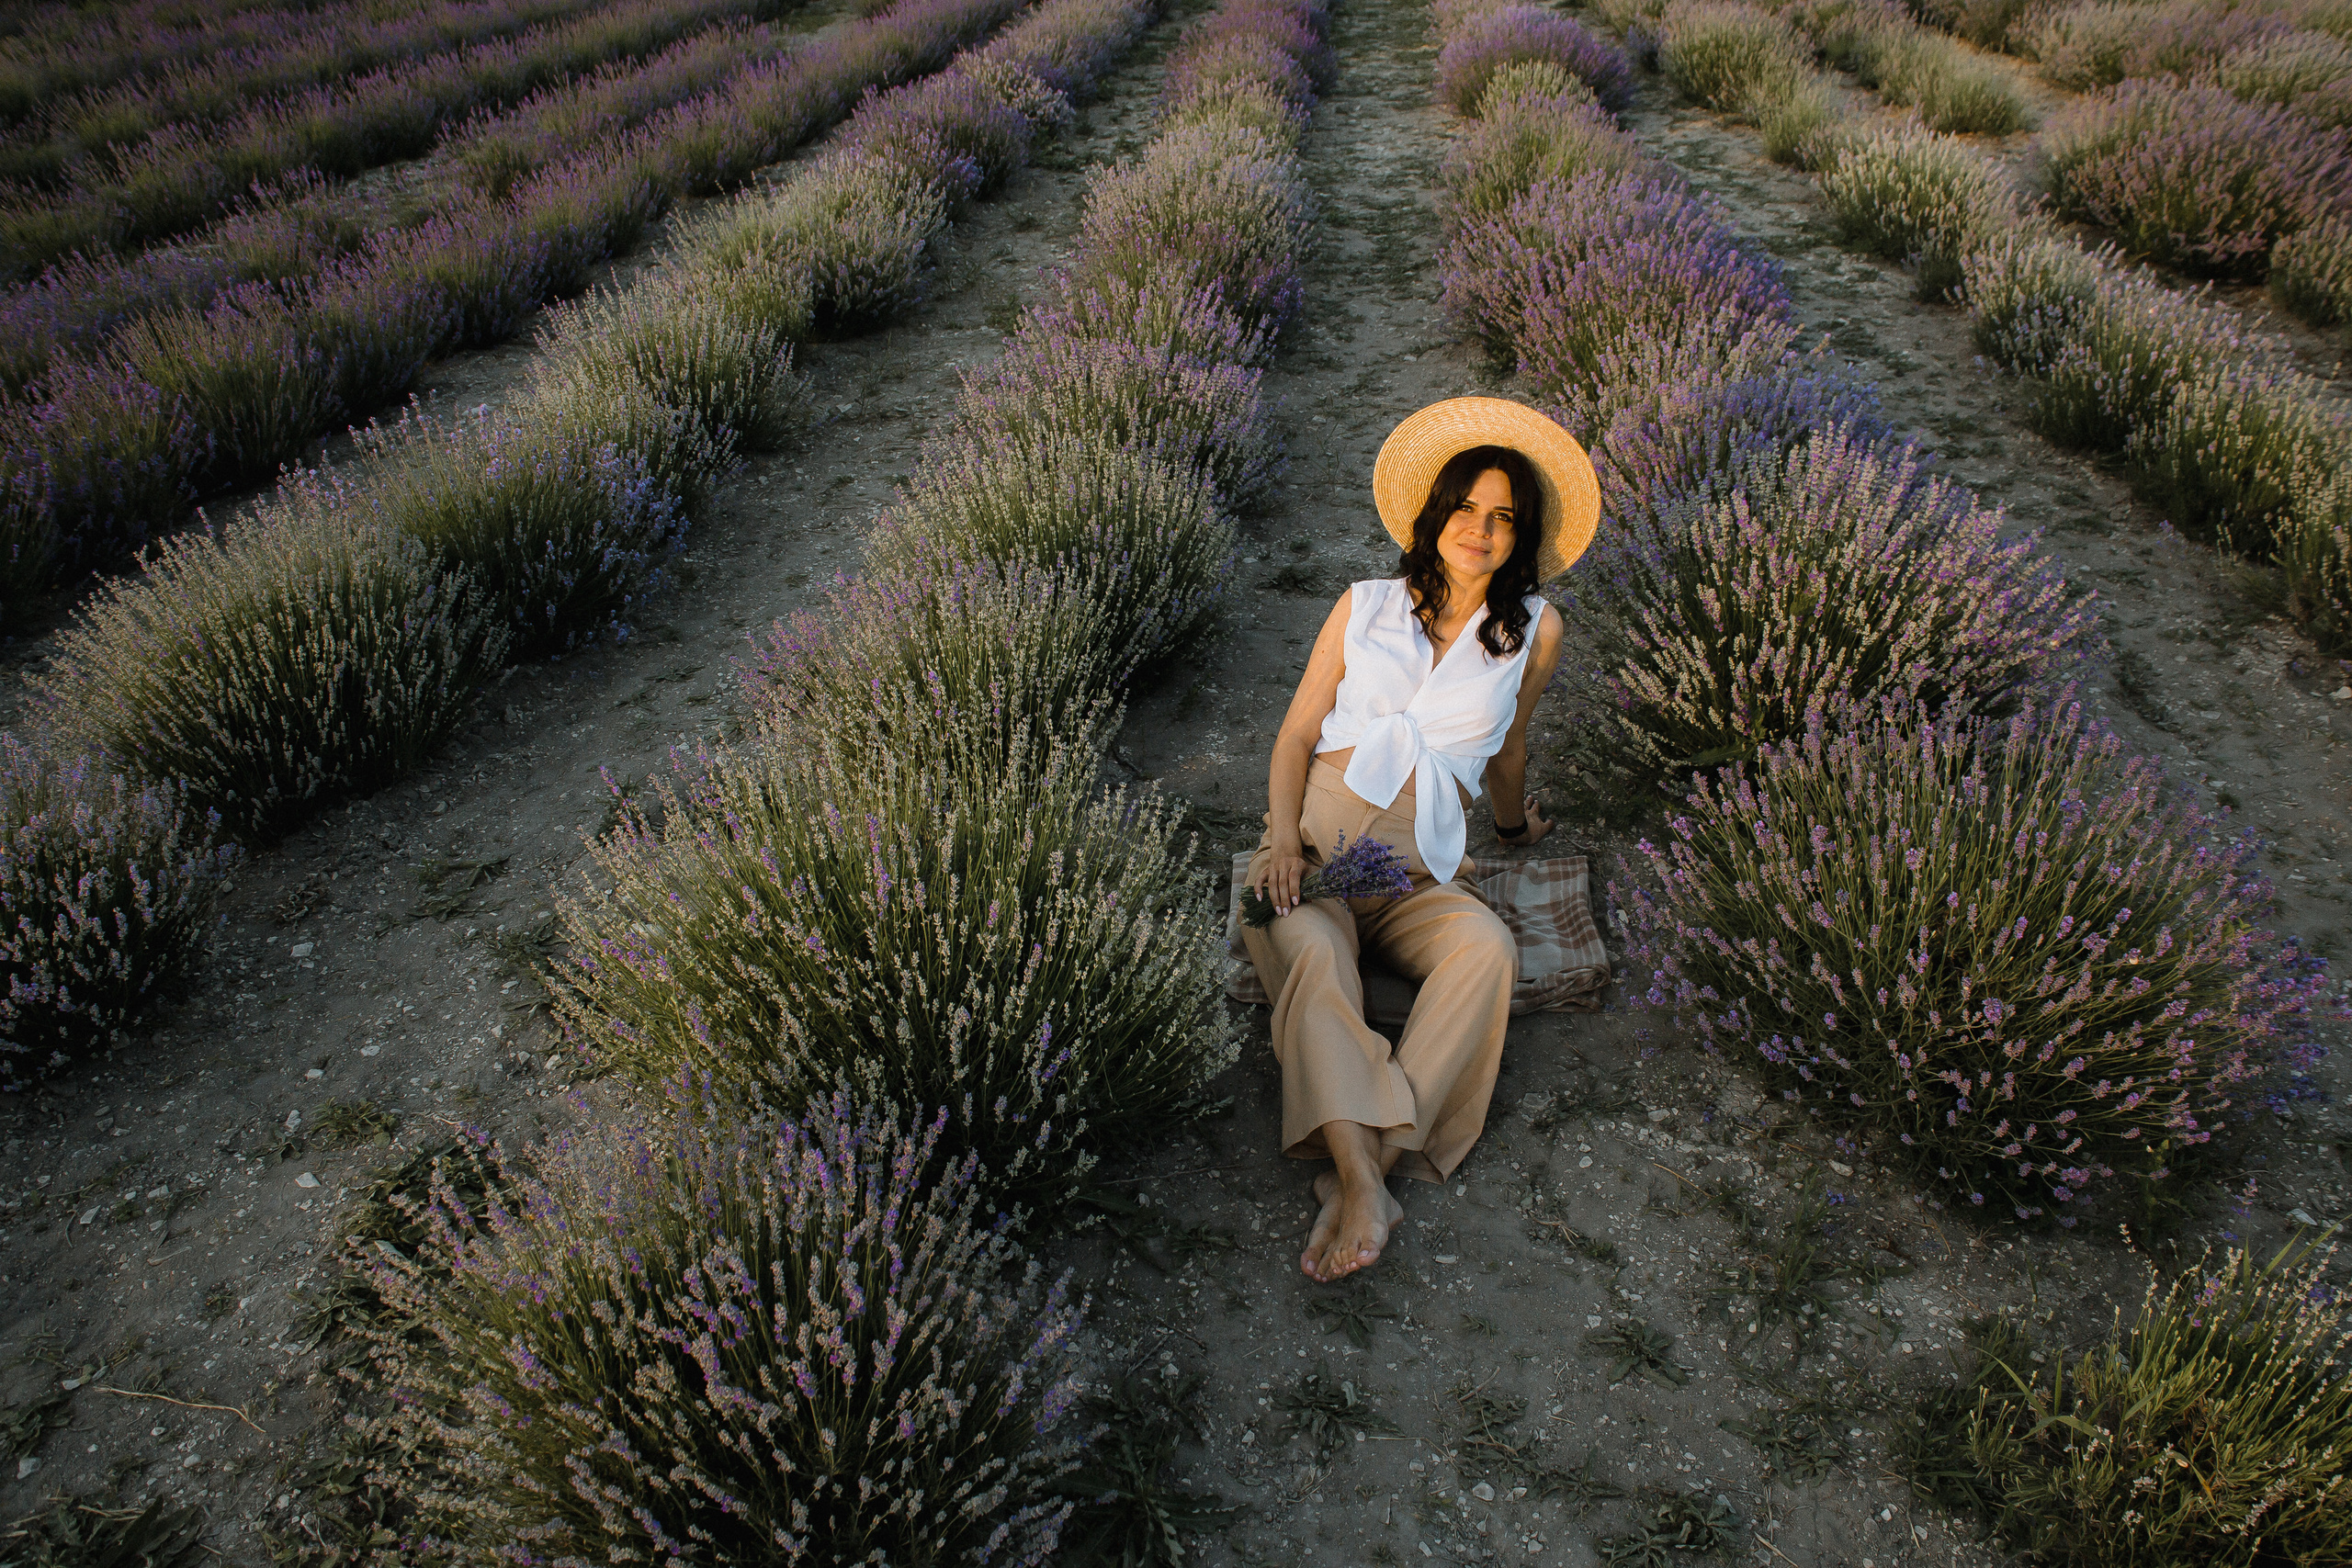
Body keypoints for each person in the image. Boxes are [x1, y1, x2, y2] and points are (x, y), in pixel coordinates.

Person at [1243, 397, 1600, 1283]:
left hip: (1412, 877)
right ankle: (1366, 1176)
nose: (1479, 530)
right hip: (1317, 861)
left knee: (1486, 947)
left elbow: (1510, 747)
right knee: (1319, 964)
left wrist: (1514, 826)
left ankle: (1366, 1167)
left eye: (1503, 517)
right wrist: (1283, 844)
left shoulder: (1533, 634)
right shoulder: (1364, 605)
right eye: (1465, 508)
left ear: (1520, 537)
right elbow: (1294, 738)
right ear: (1433, 515)